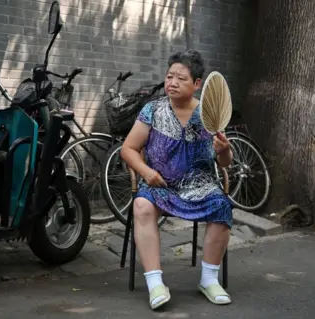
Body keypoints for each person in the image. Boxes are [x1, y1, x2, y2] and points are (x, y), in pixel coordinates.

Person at [120, 49, 233, 310]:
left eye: (181, 78)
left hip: (201, 186)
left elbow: (225, 164)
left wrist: (224, 150)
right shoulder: (153, 110)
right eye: (170, 76)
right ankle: (155, 283)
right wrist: (146, 172)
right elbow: (128, 148)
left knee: (221, 205)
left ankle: (209, 280)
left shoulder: (210, 114)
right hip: (161, 184)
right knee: (141, 205)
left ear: (196, 84)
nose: (172, 82)